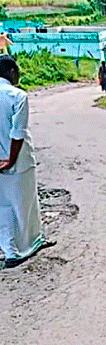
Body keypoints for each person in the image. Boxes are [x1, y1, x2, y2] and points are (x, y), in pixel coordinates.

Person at [0, 55, 45, 269]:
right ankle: (30, 244)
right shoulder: (18, 96)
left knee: (3, 207)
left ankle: (10, 251)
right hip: (18, 162)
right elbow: (17, 133)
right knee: (25, 205)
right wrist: (10, 160)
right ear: (10, 72)